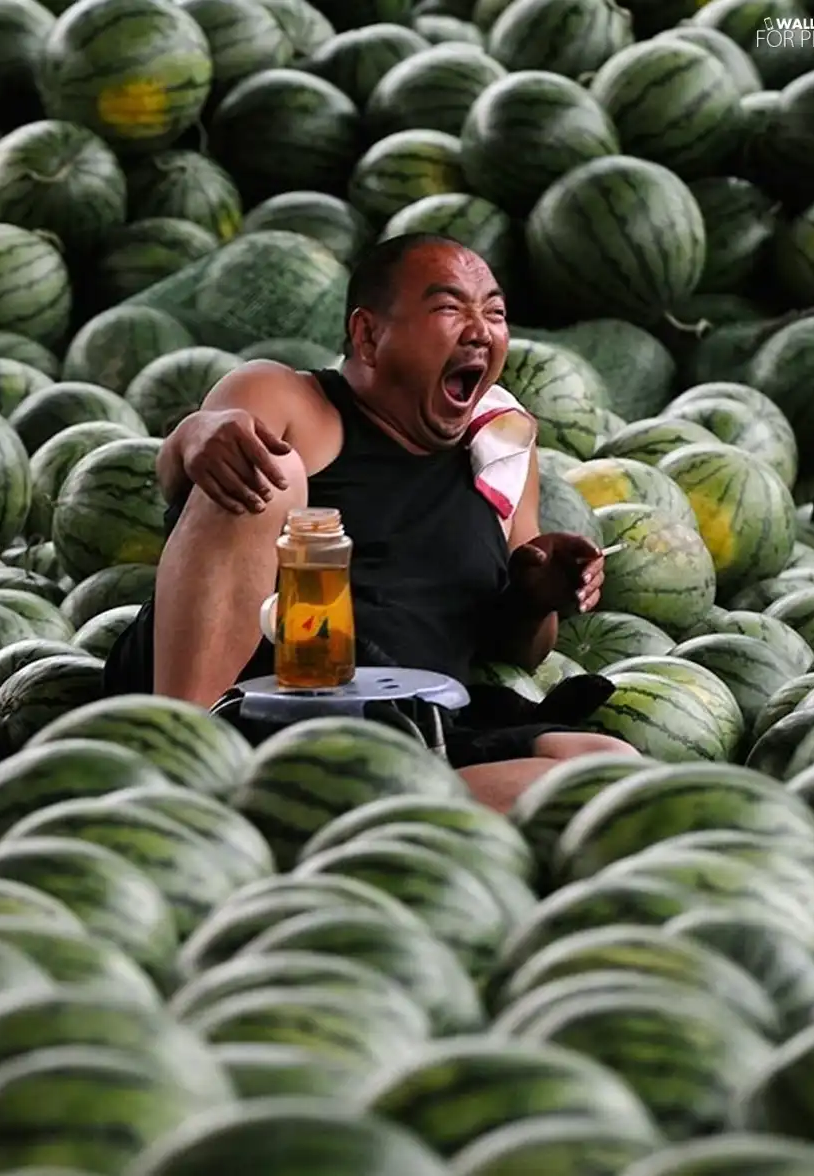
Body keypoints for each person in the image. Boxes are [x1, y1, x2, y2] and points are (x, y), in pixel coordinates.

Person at [102, 232, 635, 810]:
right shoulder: (292, 401)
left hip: (403, 729)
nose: (480, 330)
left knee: (609, 771)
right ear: (368, 335)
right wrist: (194, 437)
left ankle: (340, 811)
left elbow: (522, 652)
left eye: (496, 313)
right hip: (248, 708)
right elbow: (200, 459)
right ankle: (185, 766)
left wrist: (538, 595)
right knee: (263, 465)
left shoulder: (502, 446)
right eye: (450, 308)